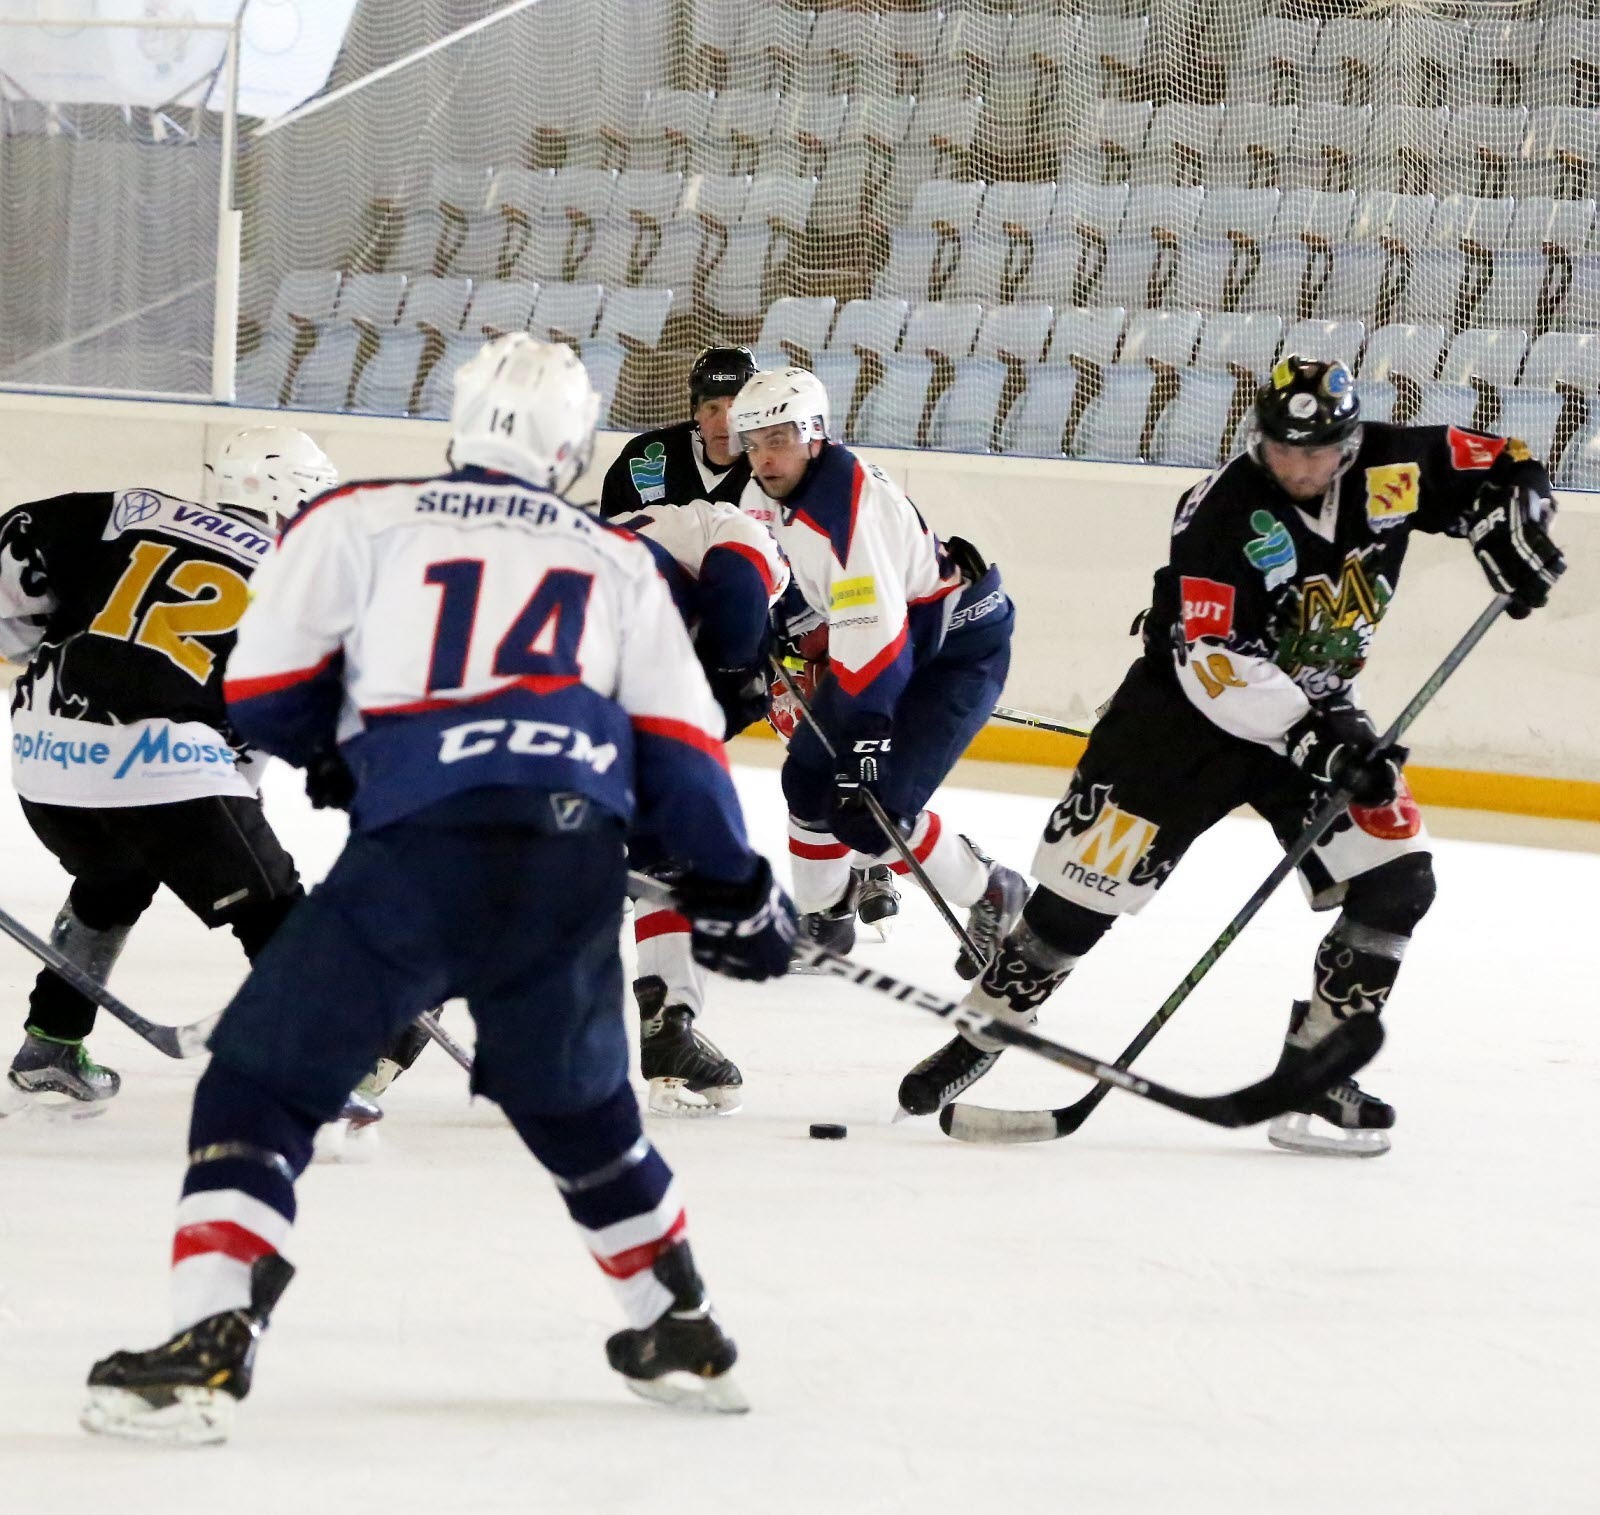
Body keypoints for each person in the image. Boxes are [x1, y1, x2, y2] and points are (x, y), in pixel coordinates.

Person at [80, 337, 796, 1443]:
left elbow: (261, 691)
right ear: (570, 448)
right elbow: (682, 749)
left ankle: (212, 1334)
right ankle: (681, 1329)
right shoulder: (615, 560)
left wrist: (340, 751)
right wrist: (736, 893)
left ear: (457, 426)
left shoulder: (361, 516)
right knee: (585, 1113)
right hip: (561, 860)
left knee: (258, 1089)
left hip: (413, 852)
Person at [897, 357, 1566, 1154]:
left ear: (1348, 445)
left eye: (1315, 451)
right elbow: (1212, 659)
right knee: (1074, 907)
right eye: (1282, 447)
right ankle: (983, 1034)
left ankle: (1316, 1072)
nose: (1298, 465)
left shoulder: (1395, 466)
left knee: (1398, 878)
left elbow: (1505, 464)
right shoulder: (1219, 511)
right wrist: (1323, 741)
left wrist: (1518, 519)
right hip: (1180, 724)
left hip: (1314, 716)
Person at [0, 428, 337, 1109]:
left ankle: (53, 1040)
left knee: (112, 875)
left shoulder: (125, 510)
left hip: (43, 767)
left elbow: (15, 541)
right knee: (274, 909)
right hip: (166, 770)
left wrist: (31, 638)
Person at [727, 366, 1027, 973]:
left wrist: (867, 734)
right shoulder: (760, 495)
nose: (764, 459)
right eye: (754, 444)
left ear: (815, 434)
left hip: (954, 650)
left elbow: (876, 642)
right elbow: (772, 575)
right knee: (807, 781)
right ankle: (825, 918)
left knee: (874, 809)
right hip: (894, 640)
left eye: (779, 440)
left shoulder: (853, 509)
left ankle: (992, 889)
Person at [607, 494, 789, 1113]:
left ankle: (409, 1008)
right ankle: (670, 1024)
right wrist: (737, 669)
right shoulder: (739, 528)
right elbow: (741, 578)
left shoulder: (656, 531)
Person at [598, 345, 757, 519]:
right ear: (696, 411)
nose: (725, 423)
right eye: (712, 408)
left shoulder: (768, 465)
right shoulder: (643, 457)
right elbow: (609, 536)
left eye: (734, 408)